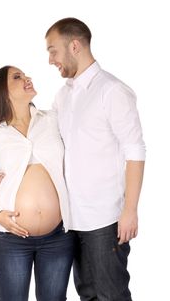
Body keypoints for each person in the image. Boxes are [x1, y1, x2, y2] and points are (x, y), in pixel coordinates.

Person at [44, 18, 146, 300]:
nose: (51, 60)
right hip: (73, 219)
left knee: (111, 294)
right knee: (87, 294)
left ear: (74, 45)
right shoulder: (63, 96)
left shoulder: (112, 91)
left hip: (105, 219)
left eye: (53, 51)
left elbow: (135, 151)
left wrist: (130, 210)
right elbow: (42, 140)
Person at [0, 65, 75, 301]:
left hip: (58, 236)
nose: (26, 78)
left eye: (25, 74)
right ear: (1, 92)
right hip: (10, 239)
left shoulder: (52, 120)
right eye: (17, 77)